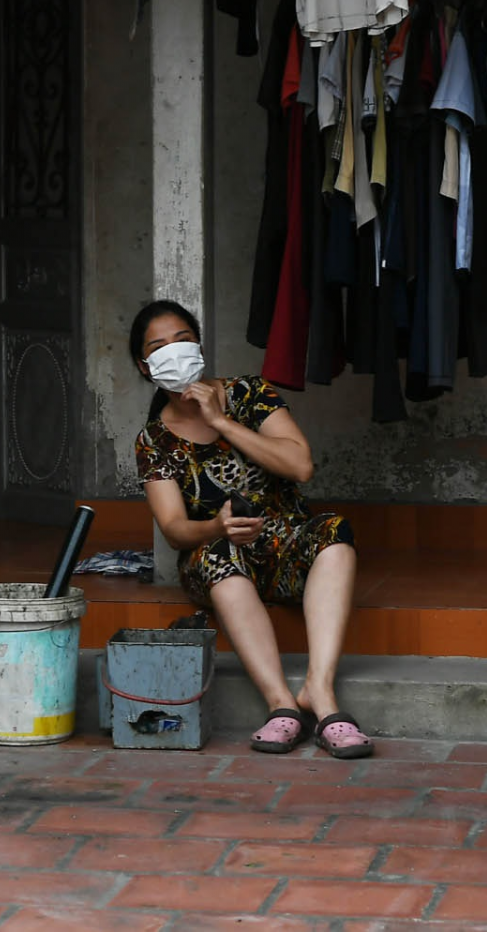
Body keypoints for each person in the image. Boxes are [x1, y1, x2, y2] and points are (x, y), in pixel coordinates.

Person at [129, 300, 372, 758]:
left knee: (335, 533)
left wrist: (220, 422)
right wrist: (215, 527)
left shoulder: (249, 394)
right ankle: (282, 705)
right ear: (146, 367)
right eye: (159, 347)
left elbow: (300, 466)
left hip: (285, 546)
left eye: (182, 339)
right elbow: (175, 530)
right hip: (220, 557)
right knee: (219, 555)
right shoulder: (153, 440)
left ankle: (319, 691)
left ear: (199, 346)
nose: (174, 351)